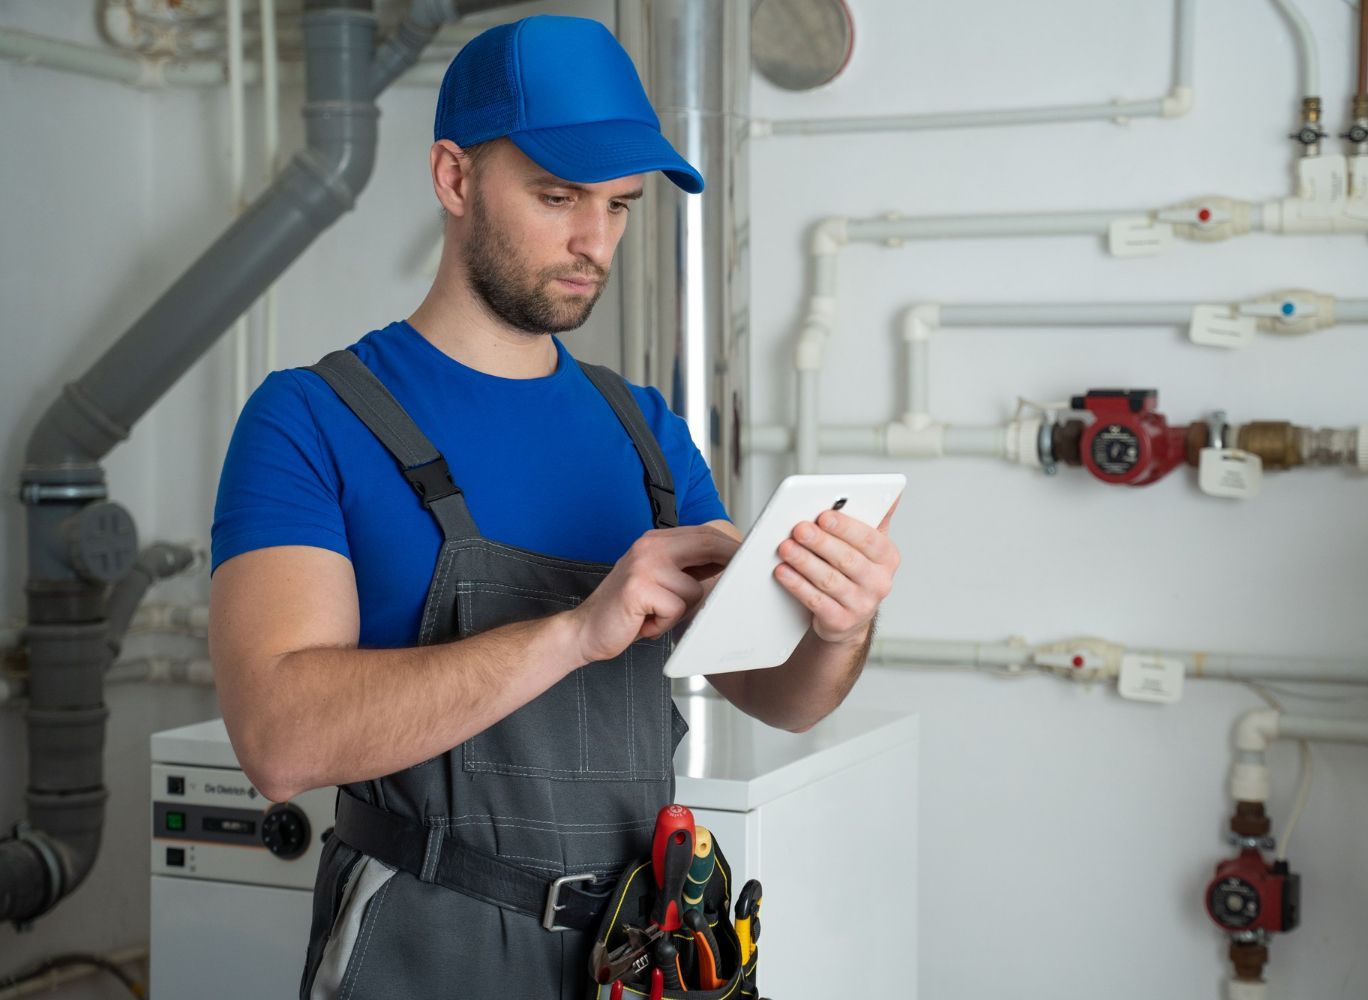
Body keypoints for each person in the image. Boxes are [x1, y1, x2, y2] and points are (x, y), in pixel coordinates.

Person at [208, 14, 901, 1000]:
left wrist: (838, 624)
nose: (594, 240)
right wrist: (577, 631)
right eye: (557, 196)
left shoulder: (644, 430)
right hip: (423, 946)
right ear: (453, 178)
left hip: (640, 949)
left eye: (619, 205)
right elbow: (279, 741)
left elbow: (779, 697)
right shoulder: (311, 419)